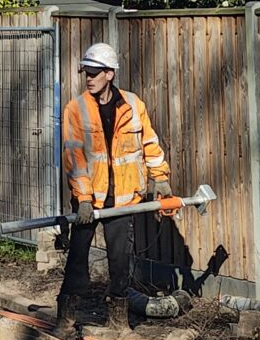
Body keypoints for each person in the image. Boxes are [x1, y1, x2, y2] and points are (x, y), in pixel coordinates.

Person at [58, 42, 179, 323]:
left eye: (95, 73)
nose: (89, 78)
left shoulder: (134, 105)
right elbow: (73, 157)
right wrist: (84, 198)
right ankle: (65, 320)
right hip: (89, 201)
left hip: (123, 200)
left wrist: (159, 178)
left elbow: (149, 142)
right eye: (86, 72)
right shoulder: (76, 109)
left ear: (109, 74)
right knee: (77, 262)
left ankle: (118, 321)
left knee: (120, 264)